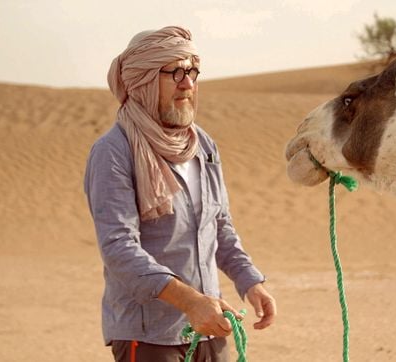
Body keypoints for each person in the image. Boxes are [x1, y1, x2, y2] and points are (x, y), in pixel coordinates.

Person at [84, 26, 276, 362]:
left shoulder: (203, 145)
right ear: (142, 82)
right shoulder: (113, 152)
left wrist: (250, 282)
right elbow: (118, 247)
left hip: (209, 327)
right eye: (174, 72)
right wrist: (190, 302)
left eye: (192, 71)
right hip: (148, 337)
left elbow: (219, 225)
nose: (188, 83)